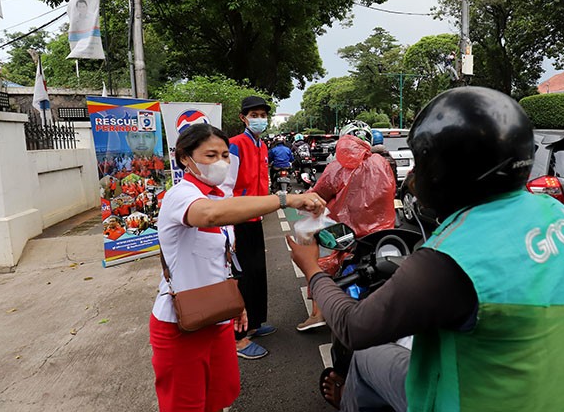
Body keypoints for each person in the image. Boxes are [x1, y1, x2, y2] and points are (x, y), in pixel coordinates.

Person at [289, 87, 564, 411]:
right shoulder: (555, 214)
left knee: (365, 356)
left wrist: (313, 271)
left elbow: (354, 326)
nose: (413, 178)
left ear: (448, 172)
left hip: (484, 400)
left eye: (422, 163)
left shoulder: (451, 259)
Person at [150, 123, 325, 412]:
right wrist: (286, 199)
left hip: (218, 319)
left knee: (219, 398)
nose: (220, 162)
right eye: (210, 156)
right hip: (181, 325)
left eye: (224, 155)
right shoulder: (181, 195)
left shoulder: (220, 197)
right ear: (184, 158)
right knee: (186, 405)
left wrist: (236, 305)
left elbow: (221, 260)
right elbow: (208, 216)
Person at [296, 121, 397, 331]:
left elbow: (318, 194)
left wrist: (302, 200)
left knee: (318, 258)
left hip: (345, 235)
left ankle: (318, 314)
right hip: (382, 234)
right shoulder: (383, 163)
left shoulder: (337, 167)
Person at [223, 96, 275, 359]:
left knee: (257, 272)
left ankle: (253, 323)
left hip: (255, 217)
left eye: (263, 115)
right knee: (240, 278)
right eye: (254, 114)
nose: (260, 119)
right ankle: (238, 338)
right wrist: (229, 225)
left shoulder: (262, 145)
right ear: (243, 118)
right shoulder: (235, 145)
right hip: (238, 219)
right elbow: (226, 185)